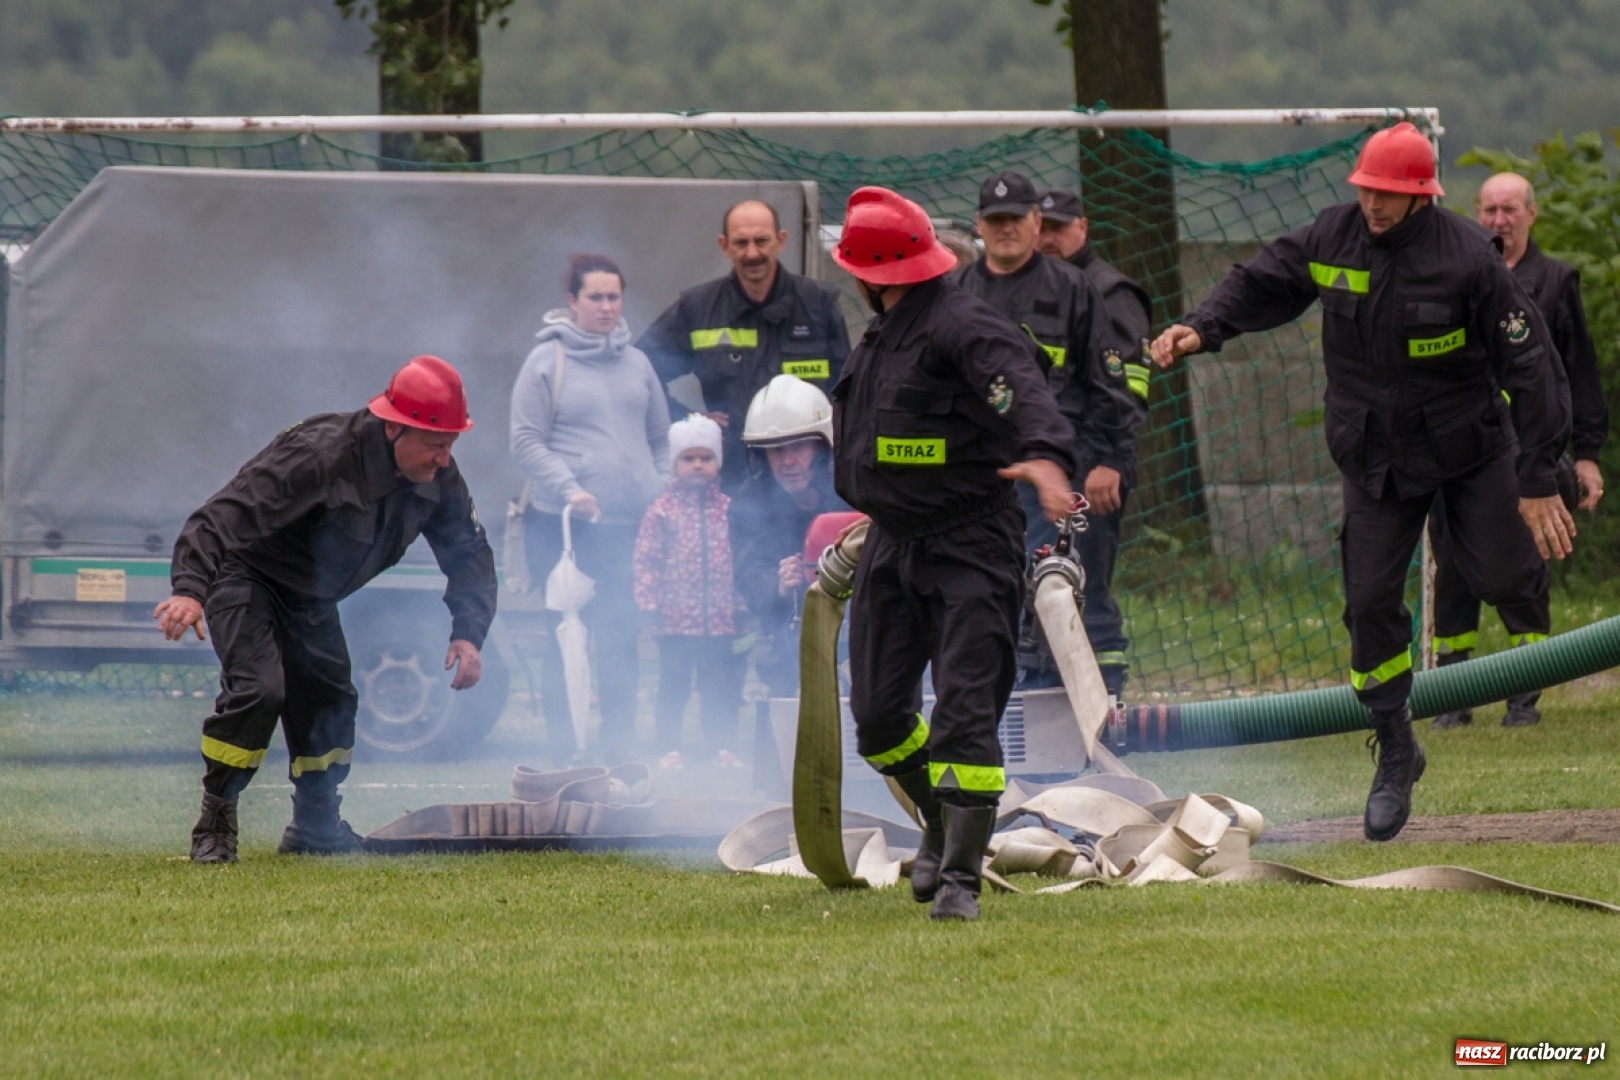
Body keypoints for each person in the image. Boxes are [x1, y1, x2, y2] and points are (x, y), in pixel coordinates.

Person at [1150, 123, 1574, 843]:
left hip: (1470, 450)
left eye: (1390, 194)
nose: (1375, 204)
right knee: (1369, 603)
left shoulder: (1468, 257)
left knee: (1503, 577)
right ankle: (1397, 748)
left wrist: (1537, 476)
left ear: (1421, 196)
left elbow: (1531, 365)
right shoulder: (1332, 236)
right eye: (1367, 190)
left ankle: (1499, 598)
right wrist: (1203, 326)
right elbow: (1263, 282)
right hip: (1376, 454)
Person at [829, 185, 1077, 921]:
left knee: (965, 715)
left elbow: (1020, 387)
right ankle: (939, 823)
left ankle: (961, 880)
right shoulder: (884, 330)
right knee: (878, 717)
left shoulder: (964, 325)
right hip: (892, 543)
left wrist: (1044, 456)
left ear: (868, 273)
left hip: (970, 545)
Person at [157, 355, 497, 863]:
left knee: (331, 702)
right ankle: (216, 821)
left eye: (450, 445)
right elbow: (221, 516)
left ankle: (315, 827)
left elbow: (468, 551)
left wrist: (469, 632)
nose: (444, 460)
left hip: (311, 597)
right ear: (394, 429)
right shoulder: (319, 454)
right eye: (435, 445)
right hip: (247, 576)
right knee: (260, 690)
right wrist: (190, 589)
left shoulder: (437, 477)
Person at [1429, 171, 1610, 729]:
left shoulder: (1555, 282)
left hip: (1526, 456)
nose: (1499, 220)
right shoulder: (1455, 274)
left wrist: (1586, 454)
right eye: (1489, 210)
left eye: (1509, 209)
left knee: (1523, 567)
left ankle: (1523, 696)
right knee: (1452, 566)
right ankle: (1452, 697)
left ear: (1532, 214)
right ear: (1476, 213)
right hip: (1456, 450)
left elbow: (1578, 371)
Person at [953, 171, 1142, 700]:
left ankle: (1102, 707)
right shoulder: (957, 293)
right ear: (979, 226)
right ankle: (1010, 704)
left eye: (1016, 218)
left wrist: (1109, 461)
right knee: (990, 594)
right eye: (995, 220)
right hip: (985, 478)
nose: (1006, 229)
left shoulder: (1074, 289)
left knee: (1072, 591)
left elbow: (1109, 385)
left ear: (1035, 222)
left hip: (1067, 475)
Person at [511, 254, 670, 762]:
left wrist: (660, 486)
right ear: (573, 301)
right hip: (562, 529)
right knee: (566, 640)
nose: (605, 307)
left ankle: (619, 751)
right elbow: (525, 440)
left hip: (628, 529)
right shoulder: (546, 362)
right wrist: (570, 488)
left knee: (621, 638)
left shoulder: (638, 363)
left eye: (613, 297)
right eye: (595, 297)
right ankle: (566, 751)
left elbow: (661, 438)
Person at [637, 199, 851, 488]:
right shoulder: (698, 308)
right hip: (733, 477)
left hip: (807, 479)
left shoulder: (818, 304)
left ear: (781, 241)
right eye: (741, 243)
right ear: (724, 246)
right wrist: (691, 421)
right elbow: (639, 372)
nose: (752, 253)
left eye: (761, 241)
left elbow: (847, 393)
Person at [729, 374, 849, 789]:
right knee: (785, 717)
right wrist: (776, 584)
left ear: (823, 445)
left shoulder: (852, 487)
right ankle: (779, 796)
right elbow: (747, 570)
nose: (787, 461)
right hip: (787, 635)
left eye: (798, 446)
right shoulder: (748, 503)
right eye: (776, 450)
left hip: (863, 628)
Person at [633, 415, 746, 769]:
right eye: (688, 458)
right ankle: (669, 747)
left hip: (721, 619)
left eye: (706, 457)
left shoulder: (729, 509)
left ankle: (721, 746)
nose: (697, 464)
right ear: (675, 464)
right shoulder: (661, 511)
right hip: (674, 622)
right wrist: (648, 603)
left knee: (719, 687)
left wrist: (743, 604)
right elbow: (646, 559)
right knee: (673, 687)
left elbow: (741, 559)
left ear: (717, 463)